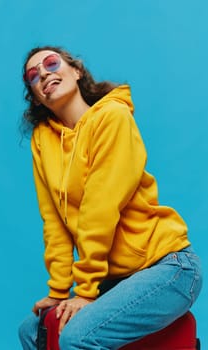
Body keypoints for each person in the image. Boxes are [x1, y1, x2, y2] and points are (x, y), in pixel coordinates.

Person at [18, 45, 202, 350]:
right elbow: (54, 222)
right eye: (33, 75)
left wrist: (87, 290)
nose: (44, 74)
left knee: (77, 337)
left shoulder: (113, 117)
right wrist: (60, 290)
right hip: (118, 279)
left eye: (51, 63)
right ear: (35, 94)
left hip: (168, 268)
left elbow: (99, 208)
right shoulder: (43, 140)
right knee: (33, 330)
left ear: (76, 71)